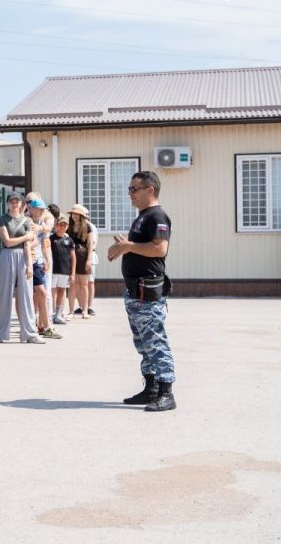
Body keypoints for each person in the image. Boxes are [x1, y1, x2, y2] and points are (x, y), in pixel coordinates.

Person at [107, 171, 176, 412]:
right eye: (129, 188)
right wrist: (124, 248)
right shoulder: (142, 217)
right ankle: (151, 388)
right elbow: (139, 248)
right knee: (143, 344)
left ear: (150, 190)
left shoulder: (157, 215)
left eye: (134, 189)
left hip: (148, 292)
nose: (130, 193)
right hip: (135, 291)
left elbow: (159, 249)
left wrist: (128, 246)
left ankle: (167, 392)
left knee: (156, 342)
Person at [0, 193, 44, 344]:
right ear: (8, 203)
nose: (14, 204)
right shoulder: (2, 219)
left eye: (17, 201)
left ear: (22, 204)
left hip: (23, 256)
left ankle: (29, 333)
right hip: (7, 255)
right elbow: (7, 241)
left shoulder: (26, 221)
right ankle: (1, 333)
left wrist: (29, 265)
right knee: (5, 294)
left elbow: (28, 245)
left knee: (27, 295)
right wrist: (25, 237)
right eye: (11, 201)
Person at [28, 198, 60, 339]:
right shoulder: (27, 222)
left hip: (38, 262)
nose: (41, 211)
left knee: (41, 293)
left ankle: (44, 326)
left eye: (42, 209)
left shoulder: (42, 223)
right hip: (26, 261)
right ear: (31, 209)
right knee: (28, 295)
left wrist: (46, 260)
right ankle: (34, 326)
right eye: (38, 209)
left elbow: (44, 243)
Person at [67, 205, 94, 319]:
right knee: (72, 284)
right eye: (73, 213)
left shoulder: (87, 226)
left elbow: (90, 244)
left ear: (81, 215)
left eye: (77, 214)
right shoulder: (69, 226)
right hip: (70, 257)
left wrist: (89, 259)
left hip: (83, 256)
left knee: (84, 284)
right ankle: (71, 311)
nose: (75, 216)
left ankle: (85, 310)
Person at [49, 214, 76, 325]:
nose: (62, 227)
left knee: (61, 291)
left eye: (64, 225)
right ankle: (49, 314)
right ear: (56, 225)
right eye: (60, 225)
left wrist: (73, 273)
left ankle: (58, 315)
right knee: (51, 292)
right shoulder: (51, 238)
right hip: (52, 270)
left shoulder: (69, 240)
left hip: (64, 271)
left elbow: (73, 257)